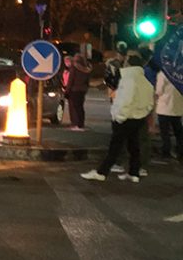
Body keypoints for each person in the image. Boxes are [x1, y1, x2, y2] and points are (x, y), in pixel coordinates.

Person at [82, 53, 155, 183]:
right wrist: (141, 113)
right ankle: (134, 173)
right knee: (134, 146)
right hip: (137, 119)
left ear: (129, 64)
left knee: (115, 147)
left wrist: (119, 116)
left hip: (125, 119)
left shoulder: (128, 80)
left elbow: (125, 101)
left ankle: (101, 172)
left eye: (126, 61)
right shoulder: (144, 81)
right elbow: (150, 102)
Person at [155, 69, 183, 160]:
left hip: (164, 107)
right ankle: (180, 151)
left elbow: (159, 90)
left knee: (165, 132)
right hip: (178, 107)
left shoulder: (163, 74)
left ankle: (166, 152)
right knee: (178, 131)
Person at [64, 52, 92, 130]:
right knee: (80, 107)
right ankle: (81, 123)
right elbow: (87, 82)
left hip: (74, 90)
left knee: (75, 107)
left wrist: (67, 91)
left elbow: (71, 80)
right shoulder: (86, 69)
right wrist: (85, 89)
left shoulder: (74, 68)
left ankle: (76, 124)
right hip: (82, 91)